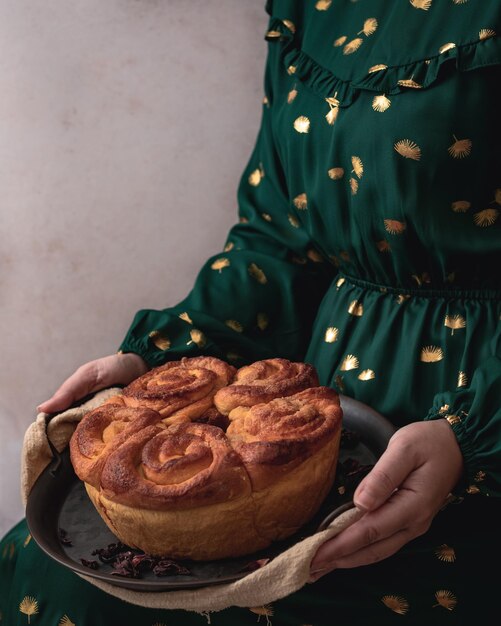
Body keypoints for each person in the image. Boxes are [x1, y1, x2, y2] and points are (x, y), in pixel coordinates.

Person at [2, 1, 500, 624]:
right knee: (43, 572)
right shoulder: (316, 8)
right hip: (316, 428)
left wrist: (475, 431)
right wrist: (162, 355)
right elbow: (282, 245)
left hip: (475, 449)